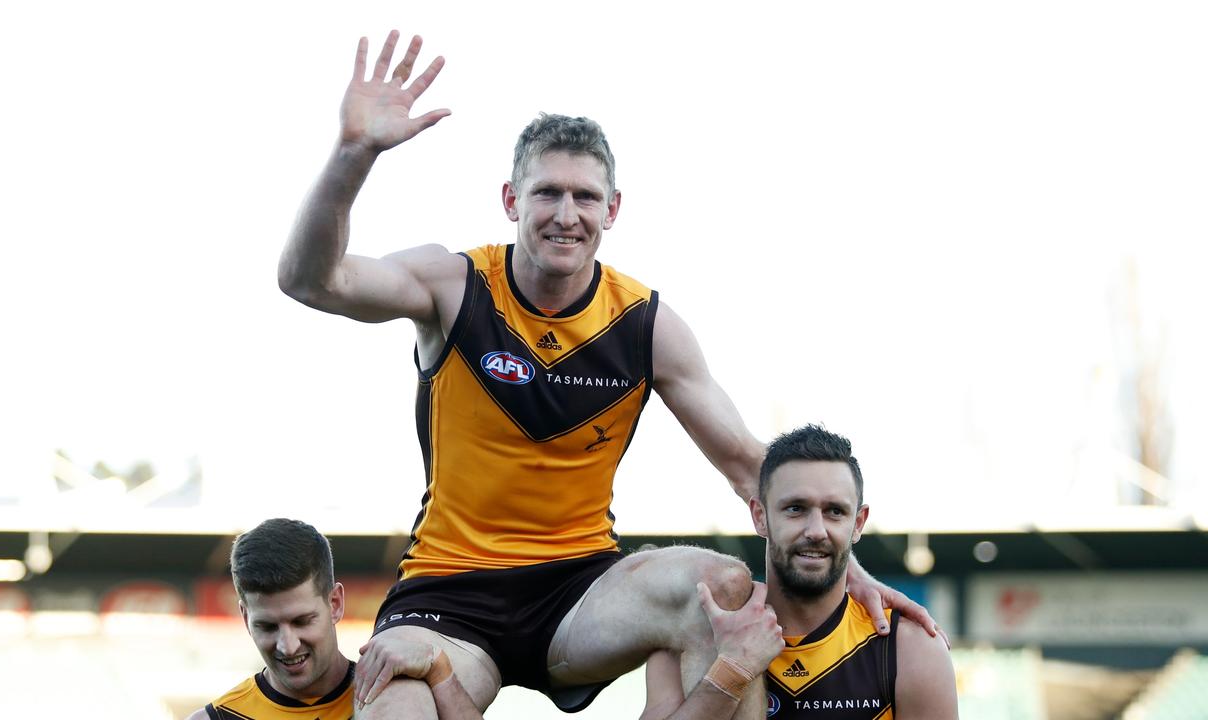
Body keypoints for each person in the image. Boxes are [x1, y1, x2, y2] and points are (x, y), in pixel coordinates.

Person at [278, 30, 939, 719]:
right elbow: (310, 281)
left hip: (580, 596)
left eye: (587, 198)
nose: (567, 215)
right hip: (450, 590)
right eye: (548, 194)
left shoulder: (645, 325)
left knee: (723, 587)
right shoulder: (455, 285)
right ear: (511, 199)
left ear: (612, 210)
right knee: (393, 707)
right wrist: (354, 153)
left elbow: (750, 464)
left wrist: (852, 565)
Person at [642, 425, 958, 718]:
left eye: (835, 511)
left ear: (858, 523)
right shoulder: (694, 633)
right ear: (760, 516)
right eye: (796, 508)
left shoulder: (910, 650)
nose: (816, 530)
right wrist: (733, 670)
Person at [187, 518, 483, 720]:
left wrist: (439, 670)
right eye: (267, 626)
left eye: (302, 621)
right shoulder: (219, 718)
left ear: (335, 603)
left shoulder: (400, 697)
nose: (287, 646)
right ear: (244, 616)